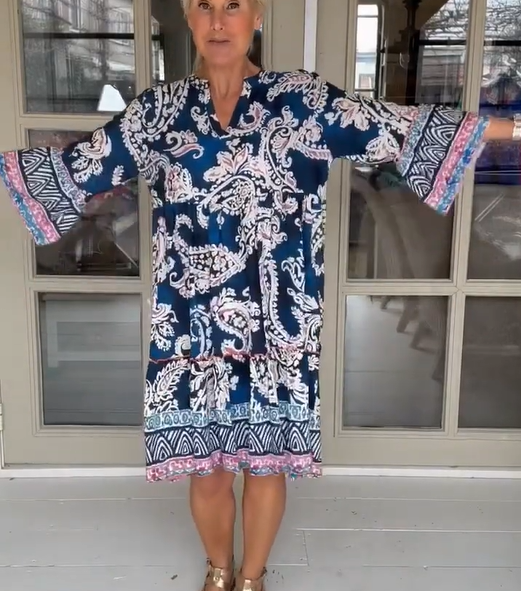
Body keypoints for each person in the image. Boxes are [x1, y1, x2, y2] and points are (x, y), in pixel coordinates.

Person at [0, 0, 518, 589]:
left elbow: (397, 127)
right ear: (188, 17)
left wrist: (512, 128)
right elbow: (74, 169)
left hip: (281, 322)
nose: (219, 21)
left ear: (258, 17)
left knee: (267, 465)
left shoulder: (301, 101)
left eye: (233, 6)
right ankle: (218, 572)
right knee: (208, 471)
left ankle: (252, 578)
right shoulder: (157, 114)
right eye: (204, 6)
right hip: (190, 326)